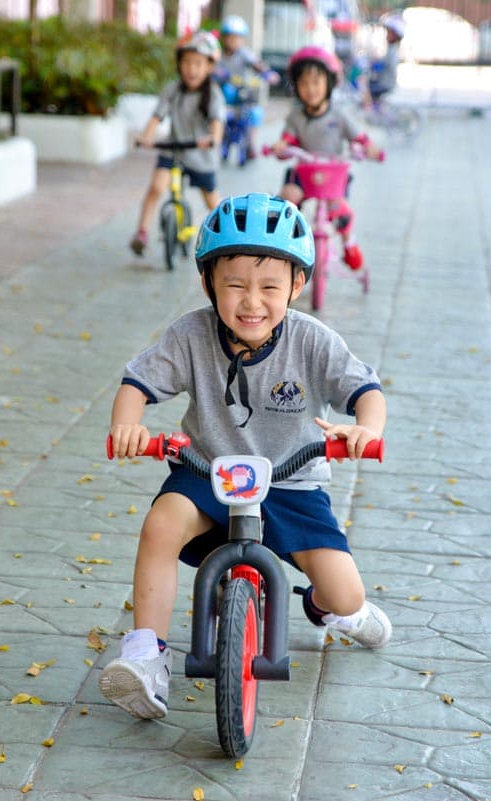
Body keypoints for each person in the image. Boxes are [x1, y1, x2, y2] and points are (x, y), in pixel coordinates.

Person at [100, 193, 392, 720]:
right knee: (161, 525)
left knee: (346, 596)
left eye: (269, 287)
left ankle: (325, 606)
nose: (251, 302)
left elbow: (366, 391)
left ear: (297, 285)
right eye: (234, 285)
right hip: (207, 472)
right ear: (208, 283)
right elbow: (137, 381)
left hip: (291, 482)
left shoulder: (312, 341)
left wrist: (364, 429)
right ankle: (145, 655)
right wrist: (127, 423)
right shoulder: (190, 336)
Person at [271, 46, 381, 271]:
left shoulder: (339, 115)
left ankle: (349, 244)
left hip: (333, 175)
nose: (310, 89)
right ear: (296, 87)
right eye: (303, 83)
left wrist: (369, 148)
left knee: (341, 211)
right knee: (286, 201)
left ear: (329, 84)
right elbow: (288, 138)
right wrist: (282, 146)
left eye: (316, 82)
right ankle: (280, 246)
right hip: (304, 173)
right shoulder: (296, 117)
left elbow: (359, 137)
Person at [130, 31, 226, 257]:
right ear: (179, 64)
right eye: (186, 62)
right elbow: (157, 116)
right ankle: (142, 233)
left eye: (198, 63)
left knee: (212, 201)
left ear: (209, 66)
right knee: (156, 187)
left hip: (200, 154)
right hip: (173, 149)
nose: (191, 69)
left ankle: (228, 238)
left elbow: (217, 122)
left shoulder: (213, 93)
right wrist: (146, 136)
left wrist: (213, 138)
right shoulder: (173, 89)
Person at [215, 14, 276, 161]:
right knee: (218, 113)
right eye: (230, 37)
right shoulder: (218, 55)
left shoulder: (244, 54)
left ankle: (250, 143)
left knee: (254, 112)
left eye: (237, 38)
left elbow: (256, 64)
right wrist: (217, 73)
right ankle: (219, 138)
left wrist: (267, 73)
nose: (233, 41)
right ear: (224, 38)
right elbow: (211, 67)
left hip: (241, 92)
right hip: (224, 95)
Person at [365, 14, 404, 108]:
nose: (387, 35)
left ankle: (369, 108)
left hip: (385, 83)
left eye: (389, 33)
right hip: (383, 81)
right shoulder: (391, 49)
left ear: (395, 35)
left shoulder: (393, 50)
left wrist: (375, 65)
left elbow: (387, 65)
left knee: (364, 86)